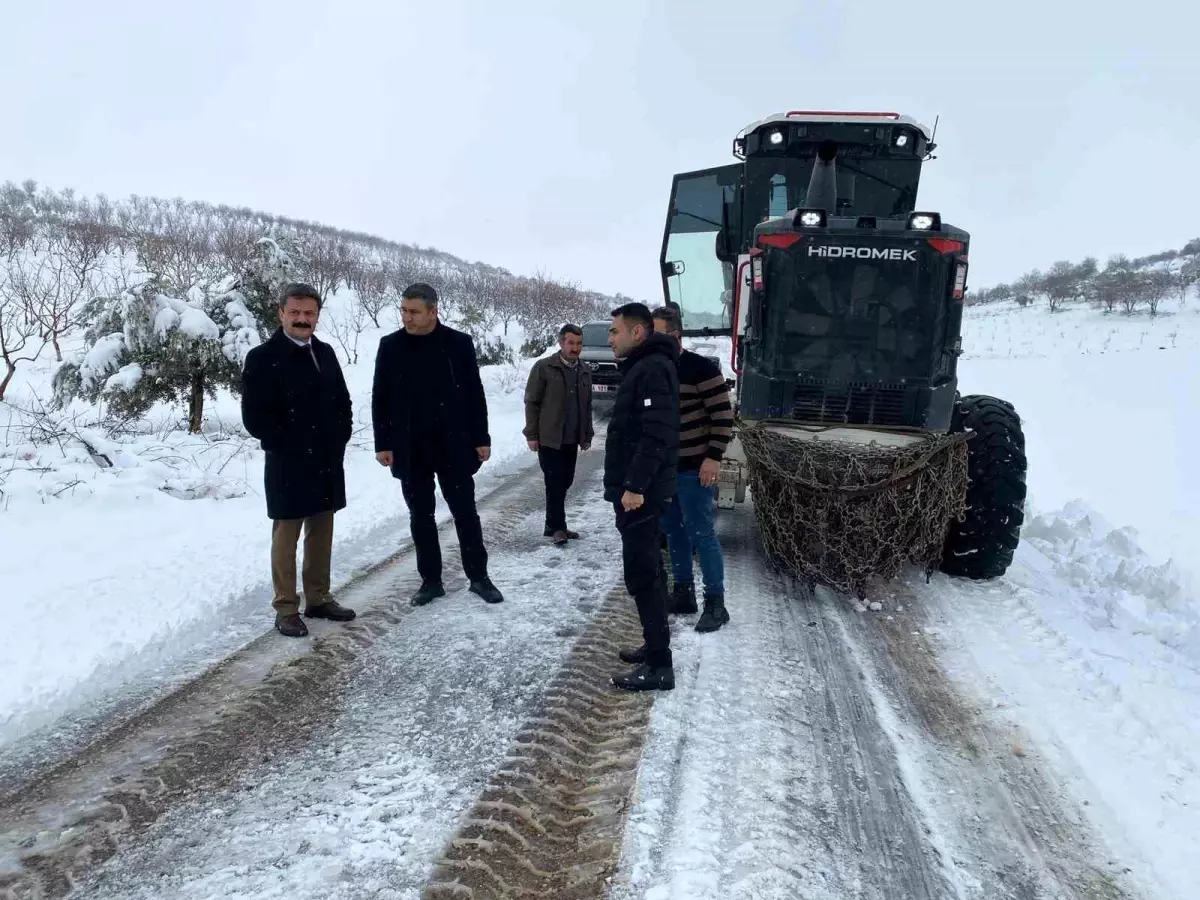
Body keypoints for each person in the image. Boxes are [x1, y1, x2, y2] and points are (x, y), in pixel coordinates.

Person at [371, 282, 504, 606]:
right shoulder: (391, 346)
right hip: (410, 447)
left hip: (453, 444)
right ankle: (431, 582)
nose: (407, 317)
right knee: (421, 517)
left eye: (414, 312)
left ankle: (479, 578)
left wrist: (481, 437)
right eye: (403, 310)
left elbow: (474, 393)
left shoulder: (458, 344)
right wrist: (383, 443)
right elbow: (381, 398)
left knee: (465, 513)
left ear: (433, 311)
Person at [240, 282, 357, 638]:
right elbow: (254, 417)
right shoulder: (262, 357)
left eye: (309, 313)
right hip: (287, 462)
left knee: (321, 533)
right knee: (286, 537)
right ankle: (286, 608)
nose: (302, 319)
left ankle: (318, 598)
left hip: (326, 459)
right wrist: (287, 443)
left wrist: (340, 435)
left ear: (317, 315)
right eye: (295, 312)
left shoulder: (325, 352)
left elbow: (342, 401)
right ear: (281, 314)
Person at [604, 302, 680, 692]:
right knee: (649, 569)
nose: (610, 339)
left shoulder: (651, 369)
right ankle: (654, 647)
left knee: (643, 573)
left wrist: (634, 486)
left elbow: (656, 434)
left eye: (614, 331)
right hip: (640, 491)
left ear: (638, 332)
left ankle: (659, 666)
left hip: (641, 494)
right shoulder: (644, 366)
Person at [652, 306, 732, 632]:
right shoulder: (654, 370)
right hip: (665, 470)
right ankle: (683, 592)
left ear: (675, 335)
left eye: (657, 335)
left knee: (702, 534)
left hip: (694, 469)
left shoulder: (700, 368)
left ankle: (716, 603)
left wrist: (713, 458)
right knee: (673, 531)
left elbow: (723, 417)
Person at [523, 324, 595, 545]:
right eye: (571, 343)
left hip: (571, 438)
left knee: (566, 480)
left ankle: (553, 524)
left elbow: (587, 405)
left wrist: (587, 433)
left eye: (579, 343)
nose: (575, 348)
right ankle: (558, 528)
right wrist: (531, 434)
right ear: (561, 342)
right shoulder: (544, 367)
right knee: (554, 482)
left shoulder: (584, 370)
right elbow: (532, 402)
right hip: (550, 437)